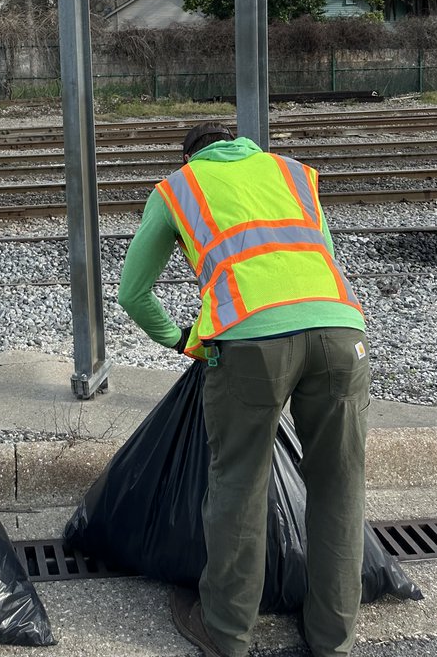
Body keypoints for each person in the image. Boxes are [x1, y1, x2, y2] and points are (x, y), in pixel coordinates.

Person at [118, 122, 369, 657]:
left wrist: (182, 339)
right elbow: (318, 255)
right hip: (341, 332)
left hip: (250, 342)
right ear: (240, 144)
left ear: (190, 158)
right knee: (340, 485)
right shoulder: (293, 174)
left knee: (239, 483)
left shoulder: (179, 188)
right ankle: (333, 637)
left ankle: (227, 631)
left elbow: (133, 294)